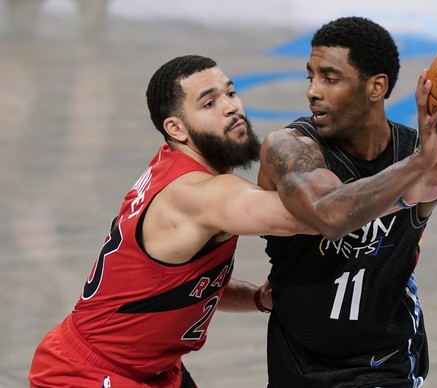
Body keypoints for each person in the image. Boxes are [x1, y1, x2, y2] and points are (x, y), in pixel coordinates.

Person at [258, 16, 437, 387]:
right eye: (310, 76)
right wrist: (417, 167)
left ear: (376, 87)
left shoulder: (423, 153)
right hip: (296, 362)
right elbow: (330, 213)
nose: (313, 90)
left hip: (385, 364)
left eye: (329, 78)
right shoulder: (289, 148)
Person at [28, 54, 317, 388]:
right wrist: (391, 179)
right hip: (87, 375)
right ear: (175, 128)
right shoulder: (198, 195)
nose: (231, 108)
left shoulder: (171, 166)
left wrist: (257, 299)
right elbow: (319, 216)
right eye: (209, 103)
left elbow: (175, 288)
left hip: (151, 370)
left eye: (231, 93)